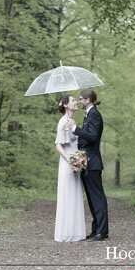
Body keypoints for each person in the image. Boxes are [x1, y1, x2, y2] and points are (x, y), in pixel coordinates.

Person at [67, 89, 108, 241]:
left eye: (81, 99)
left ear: (88, 100)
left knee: (97, 198)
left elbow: (92, 136)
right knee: (92, 199)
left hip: (93, 163)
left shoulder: (94, 114)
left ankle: (102, 231)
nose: (79, 102)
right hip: (87, 163)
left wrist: (74, 129)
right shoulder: (89, 114)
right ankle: (96, 229)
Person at [54, 95, 86, 242]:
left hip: (74, 163)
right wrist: (70, 162)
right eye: (73, 101)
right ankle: (66, 233)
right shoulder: (63, 122)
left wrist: (77, 161)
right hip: (67, 164)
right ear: (66, 105)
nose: (76, 102)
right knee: (68, 196)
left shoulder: (71, 122)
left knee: (74, 196)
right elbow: (58, 145)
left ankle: (75, 232)